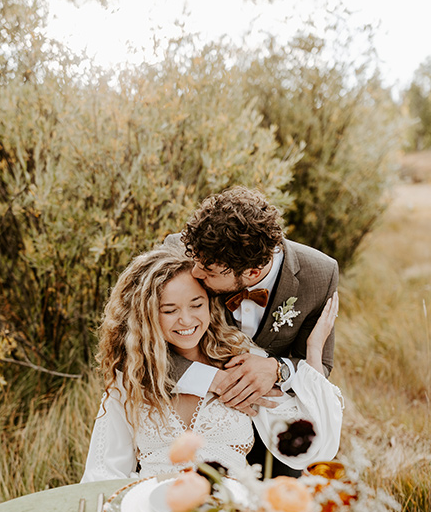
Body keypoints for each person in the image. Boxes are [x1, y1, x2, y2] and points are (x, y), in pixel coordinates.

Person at [81, 247, 342, 483]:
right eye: (169, 310)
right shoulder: (133, 374)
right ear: (146, 317)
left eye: (197, 304)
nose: (186, 320)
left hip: (228, 511)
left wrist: (314, 352)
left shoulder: (239, 360)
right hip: (154, 509)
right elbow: (104, 471)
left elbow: (315, 444)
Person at [165, 185, 339, 475]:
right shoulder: (178, 254)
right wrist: (215, 380)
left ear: (253, 273)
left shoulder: (319, 274)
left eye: (208, 272)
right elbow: (140, 342)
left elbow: (320, 365)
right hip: (191, 413)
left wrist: (277, 369)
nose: (195, 273)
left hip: (270, 424)